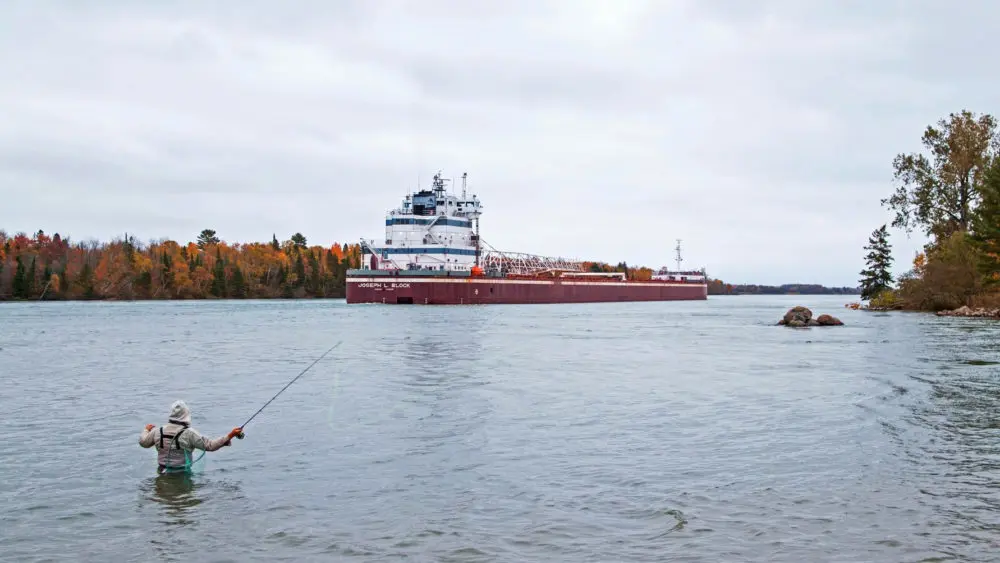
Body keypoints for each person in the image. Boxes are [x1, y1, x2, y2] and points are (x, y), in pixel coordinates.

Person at [139, 400, 243, 474]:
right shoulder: (189, 433)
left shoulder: (158, 431)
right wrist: (230, 435)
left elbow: (143, 443)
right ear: (186, 415)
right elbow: (210, 446)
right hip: (182, 474)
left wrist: (146, 430)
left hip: (162, 471)